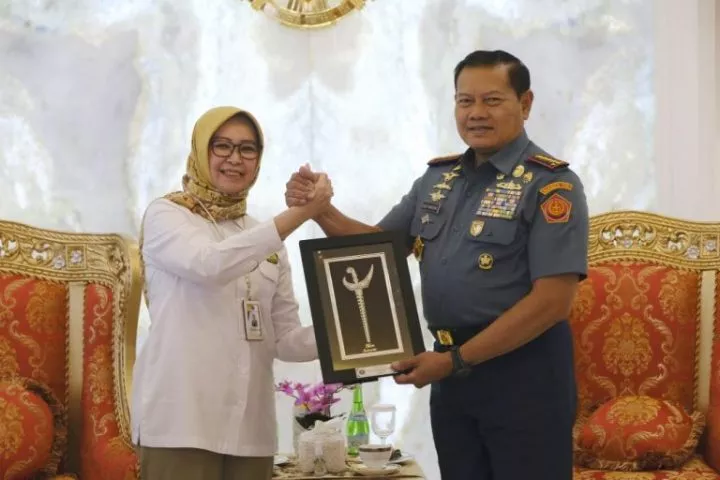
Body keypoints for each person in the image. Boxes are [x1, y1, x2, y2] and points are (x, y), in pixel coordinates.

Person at [285, 50, 589, 479]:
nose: (476, 113)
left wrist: (454, 361)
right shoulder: (438, 179)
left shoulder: (552, 185)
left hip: (525, 378)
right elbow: (379, 249)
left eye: (492, 100)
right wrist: (320, 209)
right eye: (465, 101)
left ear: (525, 103)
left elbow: (553, 302)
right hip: (450, 376)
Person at [131, 106, 332, 480]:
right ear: (200, 150)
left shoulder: (266, 238)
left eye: (247, 149)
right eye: (221, 146)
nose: (235, 159)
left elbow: (285, 339)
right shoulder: (167, 214)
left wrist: (348, 330)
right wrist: (300, 215)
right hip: (181, 423)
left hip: (250, 431)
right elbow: (210, 265)